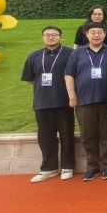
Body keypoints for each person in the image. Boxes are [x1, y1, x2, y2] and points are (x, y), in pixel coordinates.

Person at [64, 22, 107, 181]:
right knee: (88, 136)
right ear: (87, 34)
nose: (96, 35)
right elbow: (69, 75)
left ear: (105, 34)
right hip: (84, 101)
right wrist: (72, 96)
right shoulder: (77, 53)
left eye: (99, 32)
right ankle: (92, 167)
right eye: (93, 32)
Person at [21, 26, 75, 183]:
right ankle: (49, 168)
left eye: (54, 35)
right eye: (47, 35)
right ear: (42, 38)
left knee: (66, 134)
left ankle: (68, 166)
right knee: (45, 136)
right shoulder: (35, 56)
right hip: (42, 101)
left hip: (63, 101)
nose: (51, 37)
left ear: (61, 37)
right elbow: (31, 78)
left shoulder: (70, 54)